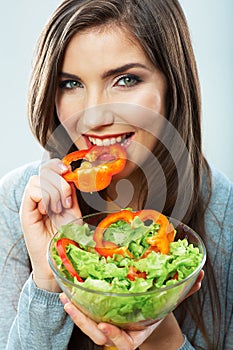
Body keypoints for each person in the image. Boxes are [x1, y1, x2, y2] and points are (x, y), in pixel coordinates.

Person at [0, 0, 232, 349]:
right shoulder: (19, 201)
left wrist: (162, 336)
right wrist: (49, 280)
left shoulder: (224, 214)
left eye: (126, 80)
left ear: (173, 86)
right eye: (70, 84)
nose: (93, 119)